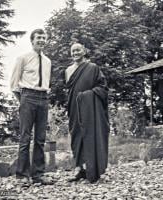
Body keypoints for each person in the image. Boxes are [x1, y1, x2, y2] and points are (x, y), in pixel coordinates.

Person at [10, 28, 53, 185]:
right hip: (27, 97)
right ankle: (22, 175)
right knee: (25, 137)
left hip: (43, 98)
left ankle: (38, 175)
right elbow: (14, 84)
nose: (41, 40)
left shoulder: (48, 61)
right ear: (32, 40)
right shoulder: (23, 58)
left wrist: (44, 98)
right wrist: (23, 100)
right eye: (38, 38)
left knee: (40, 139)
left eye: (44, 37)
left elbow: (47, 83)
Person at [65, 43, 110, 183]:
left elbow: (102, 88)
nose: (75, 53)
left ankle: (93, 170)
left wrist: (87, 95)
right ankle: (79, 169)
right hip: (74, 108)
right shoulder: (68, 70)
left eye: (78, 50)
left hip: (90, 110)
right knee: (76, 137)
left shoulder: (93, 68)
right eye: (73, 51)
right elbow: (70, 91)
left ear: (84, 51)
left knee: (90, 136)